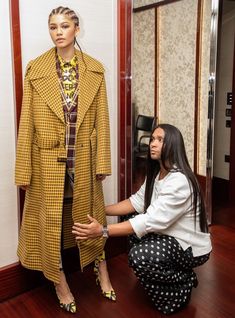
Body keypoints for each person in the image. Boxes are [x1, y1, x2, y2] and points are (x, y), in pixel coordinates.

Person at [15, 6, 115, 314]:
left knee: (89, 216)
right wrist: (23, 168)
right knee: (51, 222)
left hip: (83, 159)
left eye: (64, 26)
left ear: (77, 29)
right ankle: (59, 279)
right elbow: (27, 121)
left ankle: (102, 270)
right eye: (53, 27)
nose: (58, 32)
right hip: (46, 161)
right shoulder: (36, 69)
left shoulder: (95, 69)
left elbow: (101, 119)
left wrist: (102, 163)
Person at [72, 123, 212, 315]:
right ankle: (167, 276)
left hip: (189, 246)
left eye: (160, 140)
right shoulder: (157, 173)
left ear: (173, 145)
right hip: (168, 235)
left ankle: (183, 282)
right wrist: (99, 210)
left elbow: (149, 220)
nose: (152, 144)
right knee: (132, 219)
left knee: (139, 257)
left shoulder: (179, 181)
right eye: (152, 139)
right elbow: (136, 202)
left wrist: (102, 231)